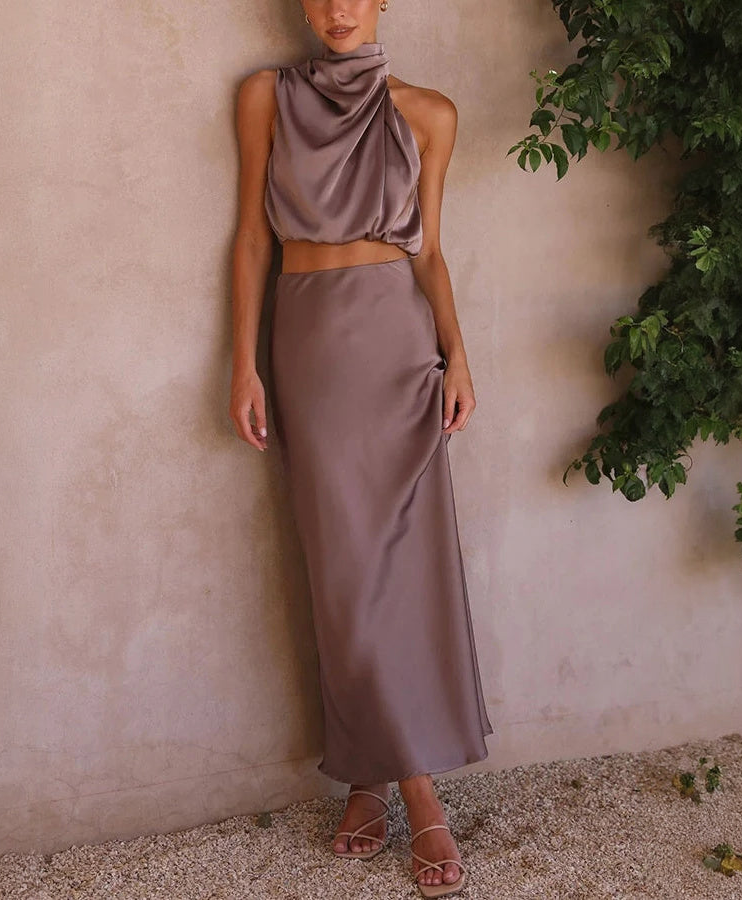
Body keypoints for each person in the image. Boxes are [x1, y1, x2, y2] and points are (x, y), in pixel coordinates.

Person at [229, 1, 494, 896]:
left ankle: (382, 782)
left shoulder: (430, 113)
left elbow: (431, 253)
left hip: (399, 346)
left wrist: (458, 355)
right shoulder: (265, 97)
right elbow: (252, 238)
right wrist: (244, 365)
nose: (339, 9)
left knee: (406, 569)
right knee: (344, 572)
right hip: (310, 347)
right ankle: (408, 786)